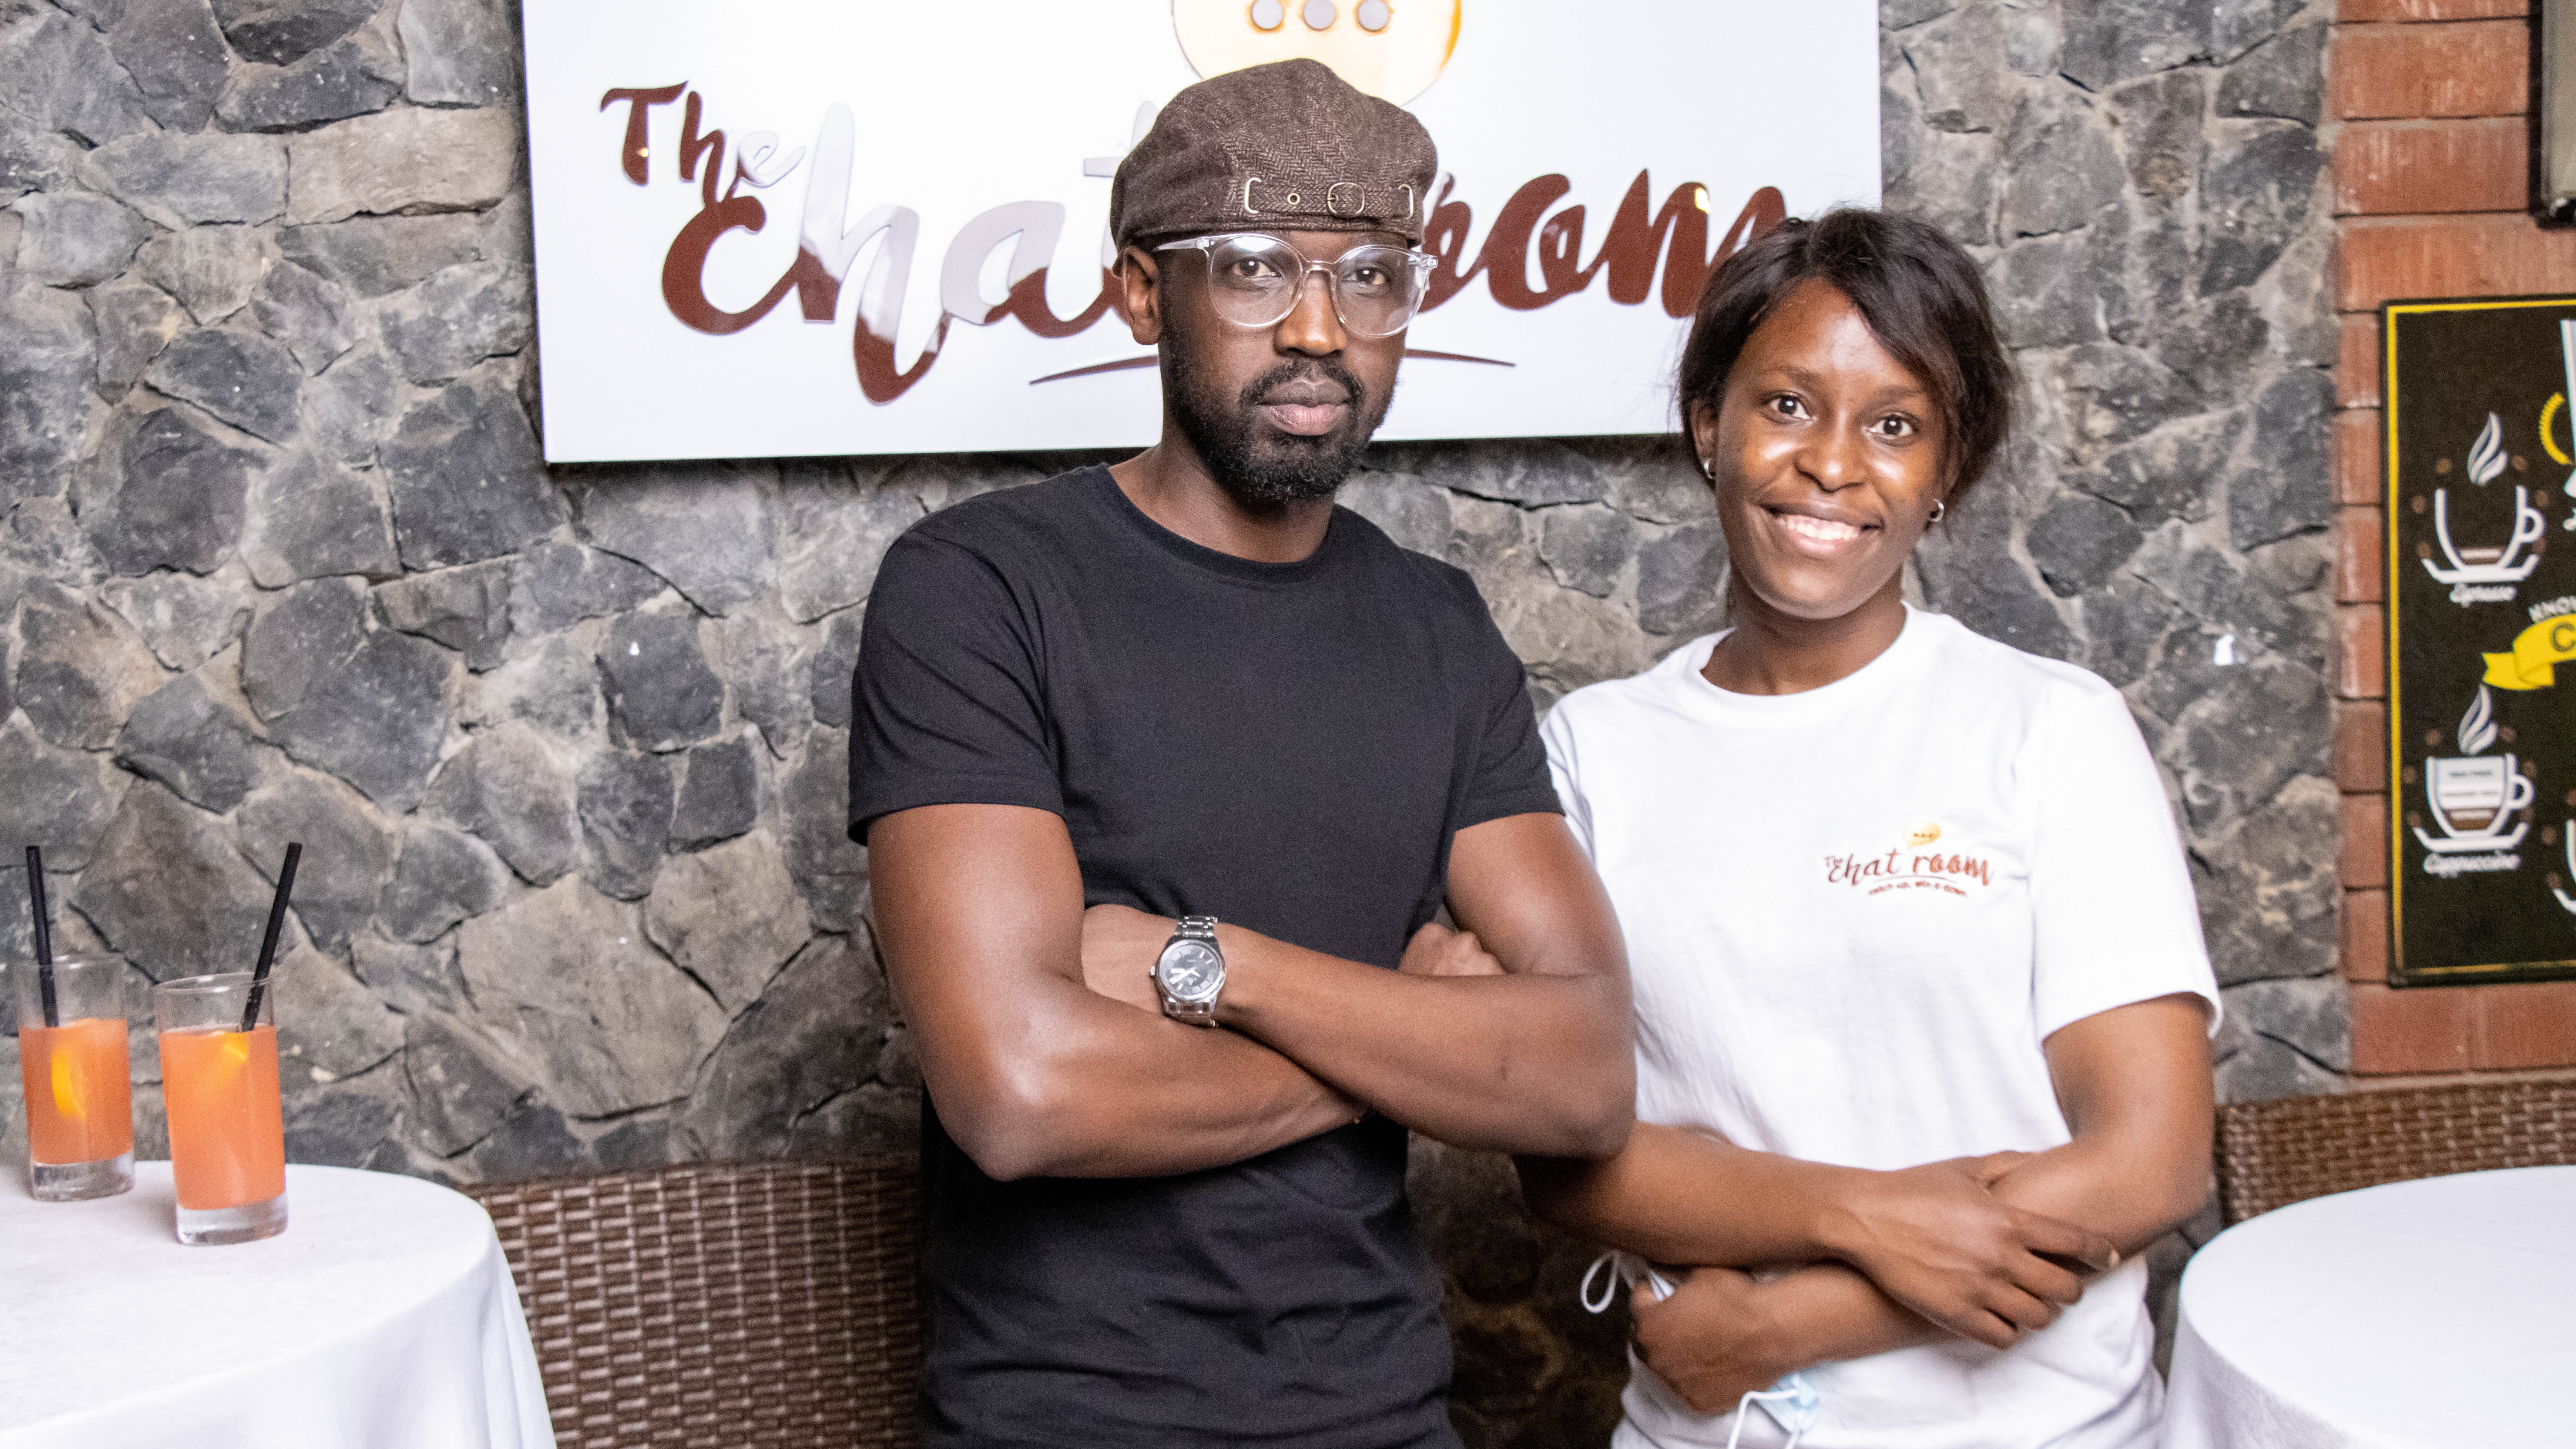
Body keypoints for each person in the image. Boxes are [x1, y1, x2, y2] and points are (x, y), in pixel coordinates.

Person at [848, 59, 1633, 1449]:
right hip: (1066, 1422)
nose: (1321, 328)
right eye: (1257, 269)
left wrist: (1209, 966)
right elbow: (1023, 1094)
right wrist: (1416, 1032)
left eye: (1373, 275)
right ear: (1146, 293)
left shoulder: (1439, 629)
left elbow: (1581, 1078)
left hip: (1387, 1415)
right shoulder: (980, 592)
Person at [1518, 209, 2220, 1449]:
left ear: (1945, 471)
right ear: (1709, 426)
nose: (1833, 463)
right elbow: (1573, 1157)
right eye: (1787, 405)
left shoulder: (2048, 728)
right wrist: (1866, 1214)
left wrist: (1795, 1324)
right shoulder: (1594, 751)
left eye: (1894, 425)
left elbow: (2150, 1160)